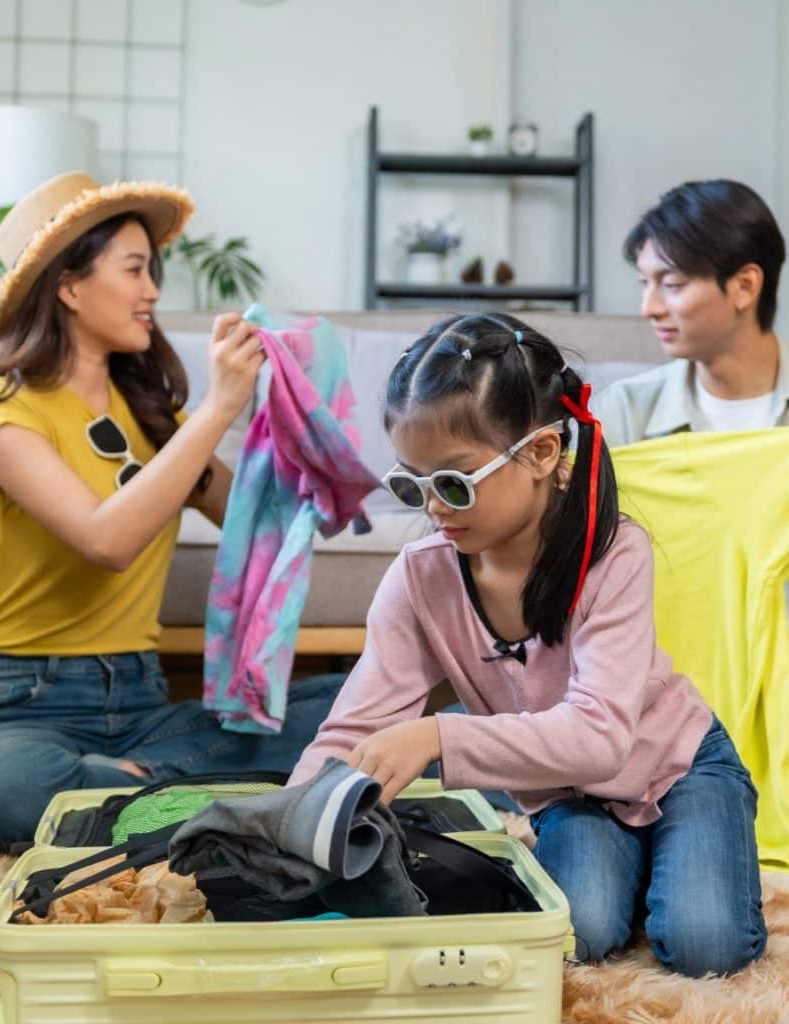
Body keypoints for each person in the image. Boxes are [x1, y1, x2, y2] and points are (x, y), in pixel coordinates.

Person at [288, 312, 766, 977]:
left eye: (453, 482)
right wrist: (291, 821)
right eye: (411, 484)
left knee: (703, 943)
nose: (433, 508)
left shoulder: (612, 551)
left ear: (541, 453)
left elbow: (600, 738)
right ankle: (644, 870)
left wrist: (436, 736)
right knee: (577, 932)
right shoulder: (421, 577)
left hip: (678, 766)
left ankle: (678, 856)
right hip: (568, 793)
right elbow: (355, 727)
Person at [0, 172, 342, 852]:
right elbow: (106, 539)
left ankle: (131, 789)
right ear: (69, 286)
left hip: (145, 709)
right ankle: (221, 797)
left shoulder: (153, 417)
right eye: (134, 270)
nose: (152, 292)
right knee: (4, 785)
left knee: (360, 706)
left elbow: (264, 526)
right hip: (23, 706)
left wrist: (284, 406)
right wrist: (217, 407)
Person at [593, 179, 789, 446]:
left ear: (745, 286)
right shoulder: (621, 414)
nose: (649, 309)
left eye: (672, 284)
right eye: (644, 283)